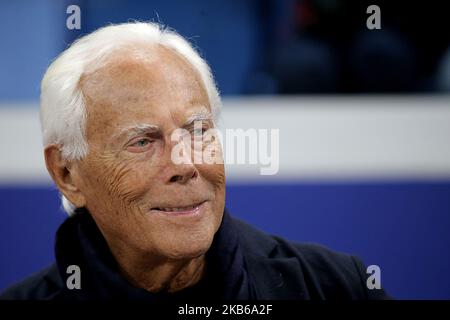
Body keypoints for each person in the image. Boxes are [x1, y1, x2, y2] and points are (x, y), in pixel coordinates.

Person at [0, 22, 388, 300]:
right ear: (67, 173)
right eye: (142, 141)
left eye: (198, 131)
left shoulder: (335, 287)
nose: (186, 164)